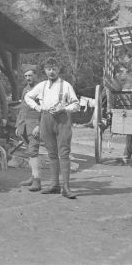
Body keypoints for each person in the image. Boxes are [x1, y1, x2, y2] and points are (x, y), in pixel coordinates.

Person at [25, 58, 80, 199]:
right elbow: (28, 97)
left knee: (64, 153)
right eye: (49, 69)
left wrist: (64, 108)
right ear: (45, 71)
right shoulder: (42, 86)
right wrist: (38, 107)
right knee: (52, 153)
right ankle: (55, 185)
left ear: (58, 70)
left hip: (62, 120)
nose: (51, 71)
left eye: (54, 68)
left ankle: (66, 188)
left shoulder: (66, 85)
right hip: (46, 119)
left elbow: (76, 104)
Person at [16, 66, 45, 191]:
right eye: (26, 76)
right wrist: (18, 125)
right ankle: (33, 177)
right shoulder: (25, 90)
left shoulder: (42, 90)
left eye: (30, 75)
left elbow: (44, 110)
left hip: (34, 125)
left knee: (33, 151)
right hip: (24, 125)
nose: (28, 78)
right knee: (29, 151)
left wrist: (39, 125)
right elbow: (22, 108)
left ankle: (37, 181)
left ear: (36, 75)